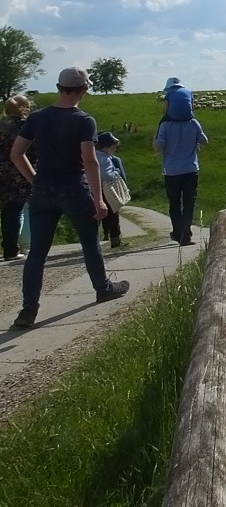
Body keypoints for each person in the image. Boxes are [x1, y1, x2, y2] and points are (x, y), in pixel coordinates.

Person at [9, 68, 129, 330]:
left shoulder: (37, 117)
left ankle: (28, 310)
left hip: (43, 190)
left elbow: (17, 154)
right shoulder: (84, 120)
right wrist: (99, 199)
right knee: (89, 243)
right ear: (84, 89)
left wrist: (35, 180)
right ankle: (103, 288)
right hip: (74, 188)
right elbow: (89, 160)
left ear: (58, 86)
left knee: (37, 254)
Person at [154, 114, 208, 246]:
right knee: (189, 202)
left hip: (171, 171)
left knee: (174, 203)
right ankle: (186, 234)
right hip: (190, 169)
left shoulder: (165, 125)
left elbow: (159, 147)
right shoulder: (193, 122)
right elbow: (204, 141)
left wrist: (154, 140)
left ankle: (178, 233)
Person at [1, 95, 34, 261]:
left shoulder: (2, 125)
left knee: (8, 209)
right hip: (21, 170)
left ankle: (9, 247)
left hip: (3, 172)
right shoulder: (25, 125)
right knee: (22, 208)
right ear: (24, 107)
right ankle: (20, 248)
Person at [95, 131, 126, 248]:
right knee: (113, 214)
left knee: (95, 216)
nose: (114, 149)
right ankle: (115, 240)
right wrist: (116, 172)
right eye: (113, 146)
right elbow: (107, 175)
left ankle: (92, 241)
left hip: (93, 189)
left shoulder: (94, 155)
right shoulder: (105, 158)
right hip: (106, 190)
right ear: (106, 147)